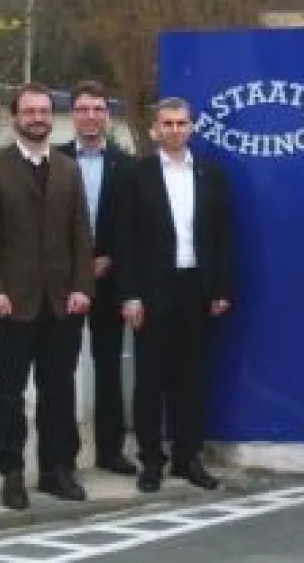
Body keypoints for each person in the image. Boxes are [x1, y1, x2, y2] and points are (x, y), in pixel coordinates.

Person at [0, 82, 94, 510]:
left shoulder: (67, 169)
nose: (38, 117)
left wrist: (82, 285)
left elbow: (81, 232)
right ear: (15, 117)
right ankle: (11, 474)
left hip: (62, 302)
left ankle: (53, 471)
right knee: (9, 392)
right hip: (13, 302)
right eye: (30, 111)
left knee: (58, 390)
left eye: (44, 110)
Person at [117, 97, 234, 494]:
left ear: (192, 128)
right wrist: (130, 295)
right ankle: (151, 460)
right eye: (167, 124)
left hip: (196, 288)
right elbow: (125, 241)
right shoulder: (136, 175)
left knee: (192, 377)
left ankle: (187, 457)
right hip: (151, 290)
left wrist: (220, 288)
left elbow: (221, 237)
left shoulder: (211, 175)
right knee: (149, 379)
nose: (174, 130)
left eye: (181, 123)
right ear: (154, 130)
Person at [56, 80, 137, 477]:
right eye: (83, 109)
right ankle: (63, 452)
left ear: (108, 115)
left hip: (110, 279)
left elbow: (133, 226)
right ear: (73, 114)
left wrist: (111, 259)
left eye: (98, 109)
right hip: (63, 282)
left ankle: (110, 450)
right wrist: (75, 265)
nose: (91, 116)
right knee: (61, 367)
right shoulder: (52, 160)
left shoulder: (127, 165)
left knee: (107, 366)